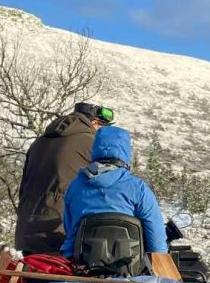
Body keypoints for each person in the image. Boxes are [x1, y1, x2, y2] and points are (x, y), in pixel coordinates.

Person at [14, 102, 115, 254]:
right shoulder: (91, 143)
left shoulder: (39, 142)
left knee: (34, 273)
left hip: (26, 230)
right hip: (59, 230)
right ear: (95, 122)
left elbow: (24, 187)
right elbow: (107, 189)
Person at [60, 125, 167, 260]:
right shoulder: (138, 187)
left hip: (82, 265)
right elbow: (156, 236)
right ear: (126, 151)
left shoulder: (75, 187)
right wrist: (159, 262)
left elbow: (70, 229)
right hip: (129, 269)